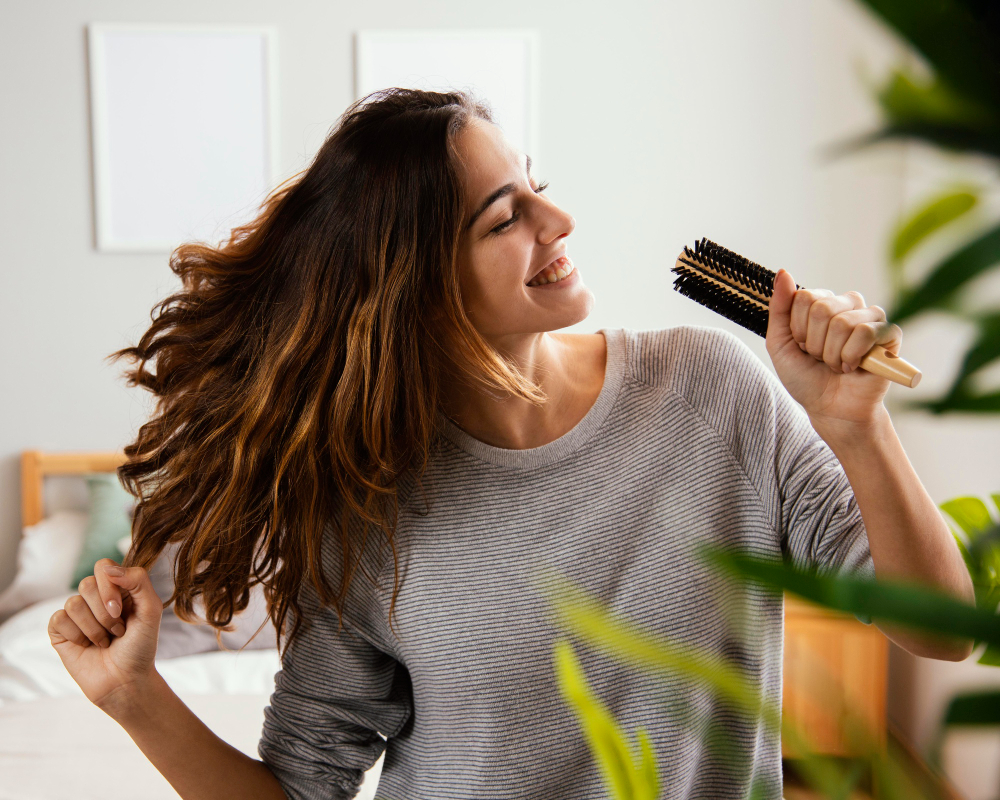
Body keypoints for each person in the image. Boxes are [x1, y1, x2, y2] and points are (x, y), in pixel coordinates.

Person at [47, 88, 975, 800]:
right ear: (411, 288)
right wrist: (135, 698)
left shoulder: (714, 389)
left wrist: (856, 427)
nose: (558, 224)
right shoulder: (369, 511)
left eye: (538, 186)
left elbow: (939, 630)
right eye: (504, 218)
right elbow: (298, 791)